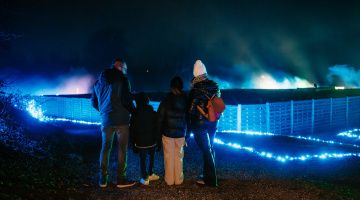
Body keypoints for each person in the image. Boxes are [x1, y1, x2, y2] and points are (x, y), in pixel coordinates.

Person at [91, 58, 136, 188]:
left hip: (106, 120)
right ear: (120, 67)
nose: (126, 71)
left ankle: (102, 180)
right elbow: (127, 100)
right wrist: (135, 112)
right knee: (122, 150)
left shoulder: (98, 82)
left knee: (105, 149)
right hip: (122, 120)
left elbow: (93, 102)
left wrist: (104, 111)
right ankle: (121, 180)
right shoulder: (123, 80)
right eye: (125, 69)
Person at [188, 60, 220, 187]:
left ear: (195, 74)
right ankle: (208, 175)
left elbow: (191, 110)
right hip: (213, 122)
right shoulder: (215, 85)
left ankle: (211, 180)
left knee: (206, 150)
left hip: (200, 124)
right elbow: (218, 103)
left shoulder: (195, 89)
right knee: (210, 148)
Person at [157, 76, 188, 186]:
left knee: (168, 157)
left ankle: (169, 180)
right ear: (181, 87)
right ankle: (179, 180)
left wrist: (158, 135)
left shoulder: (165, 100)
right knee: (179, 157)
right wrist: (187, 135)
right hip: (180, 134)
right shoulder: (186, 100)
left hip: (167, 134)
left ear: (171, 87)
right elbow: (189, 118)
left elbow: (159, 119)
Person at [130, 92, 160, 185]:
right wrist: (158, 141)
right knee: (152, 156)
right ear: (147, 101)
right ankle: (150, 173)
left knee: (142, 159)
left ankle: (145, 177)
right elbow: (157, 128)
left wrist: (133, 144)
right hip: (152, 141)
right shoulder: (153, 113)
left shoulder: (134, 115)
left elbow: (132, 130)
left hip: (140, 142)